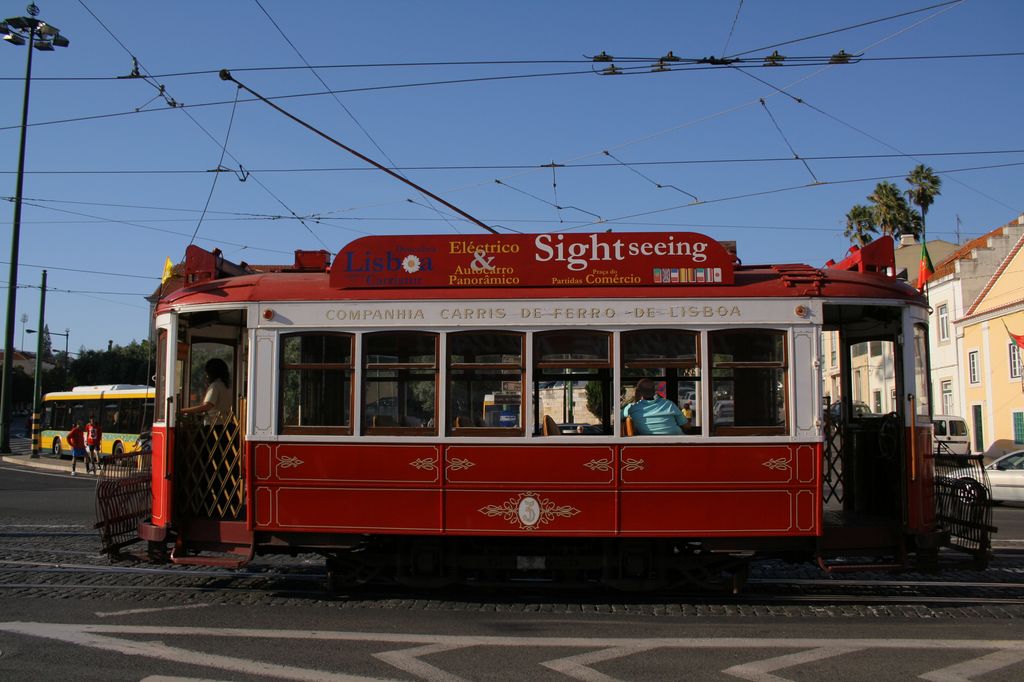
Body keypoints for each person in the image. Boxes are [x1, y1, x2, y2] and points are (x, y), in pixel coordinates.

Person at [180, 358, 232, 422]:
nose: (206, 376)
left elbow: (206, 407)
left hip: (215, 424)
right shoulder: (226, 386)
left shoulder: (215, 386)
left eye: (207, 373)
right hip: (226, 422)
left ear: (211, 373)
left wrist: (182, 411)